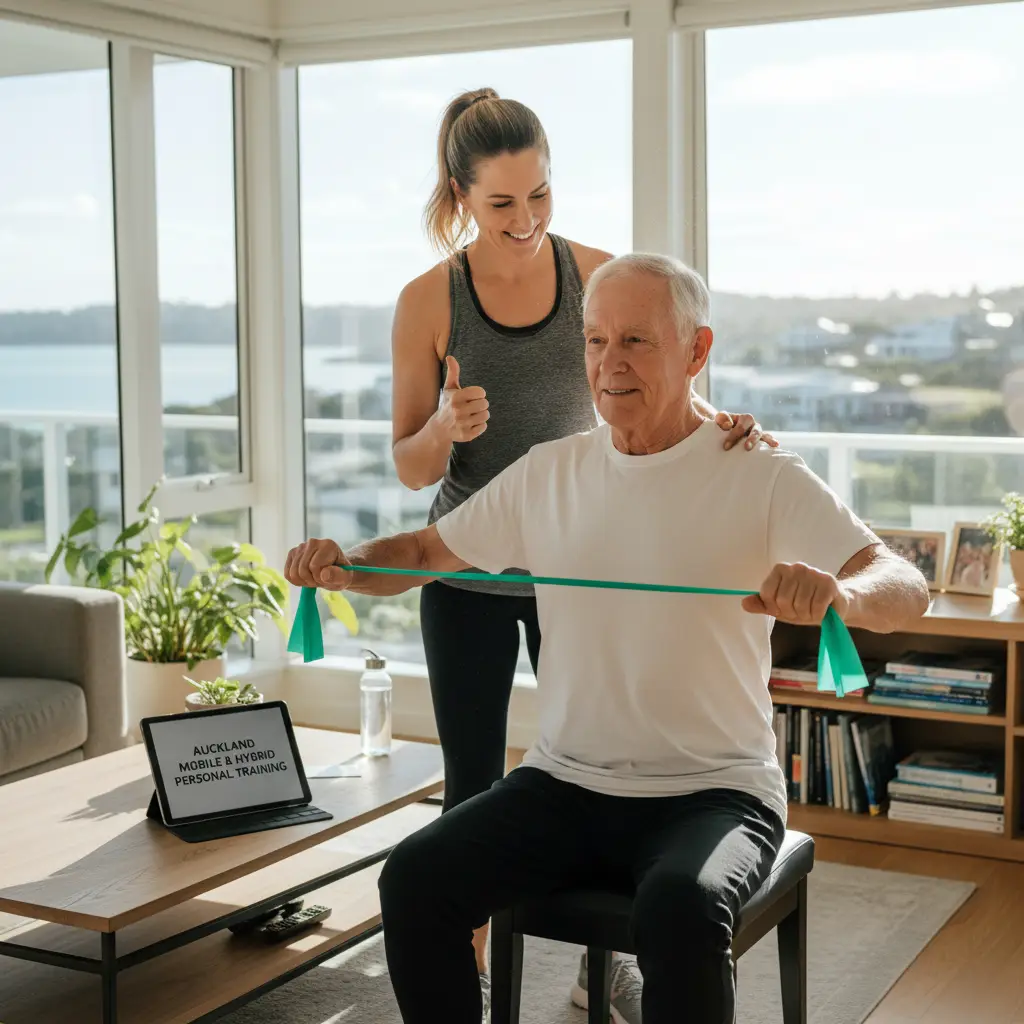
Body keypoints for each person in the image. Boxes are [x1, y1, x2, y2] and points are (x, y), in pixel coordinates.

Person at [285, 253, 930, 1024]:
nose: (608, 364)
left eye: (635, 341)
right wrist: (344, 565)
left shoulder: (760, 474)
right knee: (415, 877)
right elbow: (426, 553)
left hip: (717, 791)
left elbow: (904, 584)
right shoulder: (549, 472)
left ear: (697, 350)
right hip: (565, 781)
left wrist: (841, 593)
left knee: (679, 909)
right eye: (594, 342)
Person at [388, 86, 777, 1015]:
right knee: (476, 788)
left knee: (609, 757)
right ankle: (470, 974)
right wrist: (444, 425)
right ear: (461, 194)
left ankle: (611, 965)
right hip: (474, 568)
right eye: (502, 204)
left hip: (582, 563)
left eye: (541, 196)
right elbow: (408, 466)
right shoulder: (425, 299)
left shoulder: (594, 272)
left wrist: (733, 427)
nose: (526, 222)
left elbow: (663, 382)